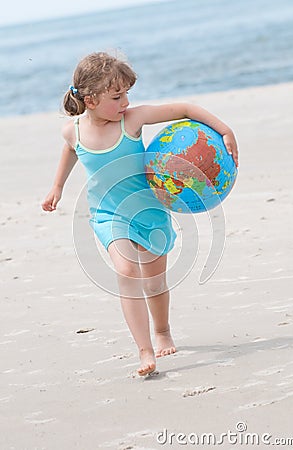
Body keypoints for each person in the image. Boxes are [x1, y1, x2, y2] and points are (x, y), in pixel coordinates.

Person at [42, 52, 238, 376]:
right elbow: (70, 151)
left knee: (155, 283)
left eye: (127, 94)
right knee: (127, 273)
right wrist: (57, 187)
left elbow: (185, 109)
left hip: (149, 213)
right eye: (117, 96)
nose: (125, 101)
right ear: (90, 100)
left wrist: (225, 129)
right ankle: (145, 349)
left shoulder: (132, 120)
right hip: (109, 214)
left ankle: (162, 330)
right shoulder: (73, 131)